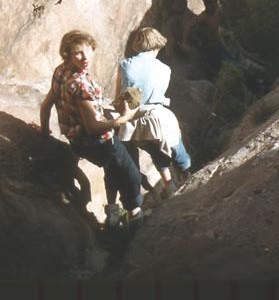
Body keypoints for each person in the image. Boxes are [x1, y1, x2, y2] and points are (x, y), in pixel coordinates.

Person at [39, 30, 145, 230]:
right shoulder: (81, 86)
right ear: (67, 54)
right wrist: (123, 119)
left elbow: (47, 105)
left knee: (112, 167)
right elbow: (93, 127)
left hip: (77, 142)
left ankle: (113, 213)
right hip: (98, 142)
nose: (85, 57)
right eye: (78, 53)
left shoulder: (61, 72)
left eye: (88, 50)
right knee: (131, 174)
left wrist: (44, 132)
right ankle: (135, 215)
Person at [116, 27, 191, 193]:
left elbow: (121, 98)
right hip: (158, 115)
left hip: (135, 120)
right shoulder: (165, 69)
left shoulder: (125, 66)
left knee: (155, 149)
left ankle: (169, 185)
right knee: (174, 144)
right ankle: (187, 173)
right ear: (156, 46)